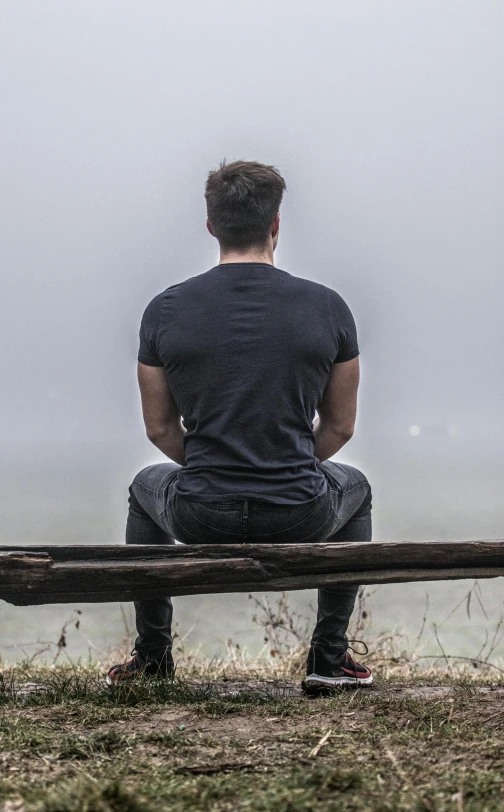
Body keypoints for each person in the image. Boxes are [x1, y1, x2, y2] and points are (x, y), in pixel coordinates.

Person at [106, 160, 372, 692]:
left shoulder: (165, 310)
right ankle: (328, 661)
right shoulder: (328, 307)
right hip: (300, 514)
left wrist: (216, 466)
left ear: (211, 226)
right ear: (276, 223)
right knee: (356, 489)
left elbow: (160, 430)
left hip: (200, 513)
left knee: (144, 487)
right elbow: (340, 428)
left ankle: (154, 659)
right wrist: (281, 462)